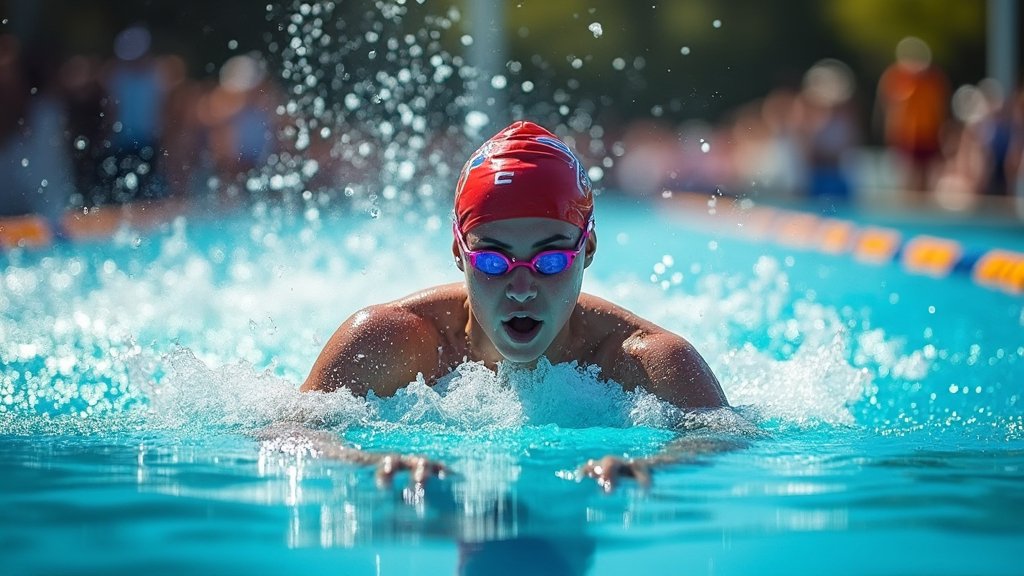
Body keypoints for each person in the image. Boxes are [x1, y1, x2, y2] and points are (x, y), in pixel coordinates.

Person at [299, 121, 729, 490]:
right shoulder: (385, 341)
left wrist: (646, 467)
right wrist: (368, 463)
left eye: (550, 260)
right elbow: (289, 430)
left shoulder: (647, 361)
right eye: (492, 260)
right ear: (458, 252)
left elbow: (723, 440)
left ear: (588, 250)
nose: (521, 288)